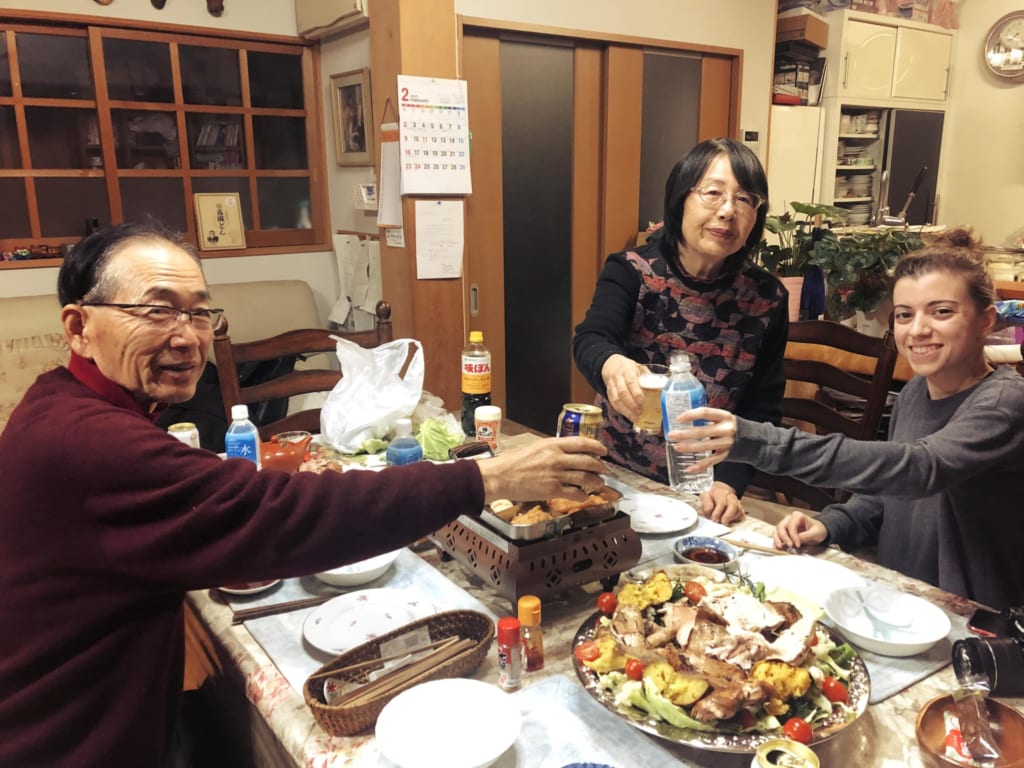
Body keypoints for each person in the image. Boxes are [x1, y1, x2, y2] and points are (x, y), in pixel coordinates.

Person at [0, 221, 609, 766]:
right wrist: (488, 478)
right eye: (156, 311)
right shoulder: (87, 443)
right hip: (66, 740)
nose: (186, 337)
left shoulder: (65, 404)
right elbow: (277, 516)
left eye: (199, 313)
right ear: (79, 327)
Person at [672, 228, 1024, 609]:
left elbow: (918, 469)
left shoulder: (1004, 404)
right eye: (904, 314)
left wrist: (754, 440)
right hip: (896, 601)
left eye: (942, 311)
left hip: (976, 624)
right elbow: (888, 492)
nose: (918, 329)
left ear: (986, 321)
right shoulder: (913, 394)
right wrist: (830, 524)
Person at [572, 137, 789, 525]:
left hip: (704, 493)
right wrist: (612, 364)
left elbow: (762, 407)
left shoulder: (767, 297)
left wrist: (728, 484)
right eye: (713, 193)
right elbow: (591, 338)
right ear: (680, 198)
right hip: (617, 478)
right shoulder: (632, 270)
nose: (727, 211)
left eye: (744, 200)